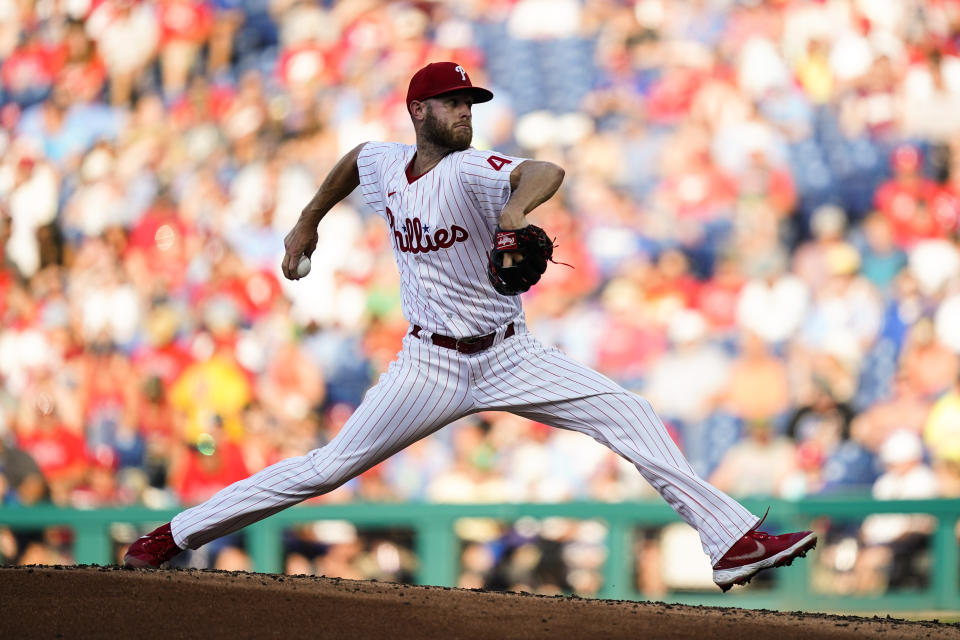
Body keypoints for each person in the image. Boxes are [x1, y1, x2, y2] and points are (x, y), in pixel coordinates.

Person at [124, 61, 816, 591]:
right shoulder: (384, 164)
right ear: (418, 109)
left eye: (470, 103)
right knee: (326, 468)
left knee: (628, 411)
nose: (465, 112)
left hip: (511, 354)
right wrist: (306, 222)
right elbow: (350, 164)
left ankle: (728, 542)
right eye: (454, 103)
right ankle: (170, 537)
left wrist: (515, 215)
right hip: (429, 366)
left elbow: (545, 169)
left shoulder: (471, 171)